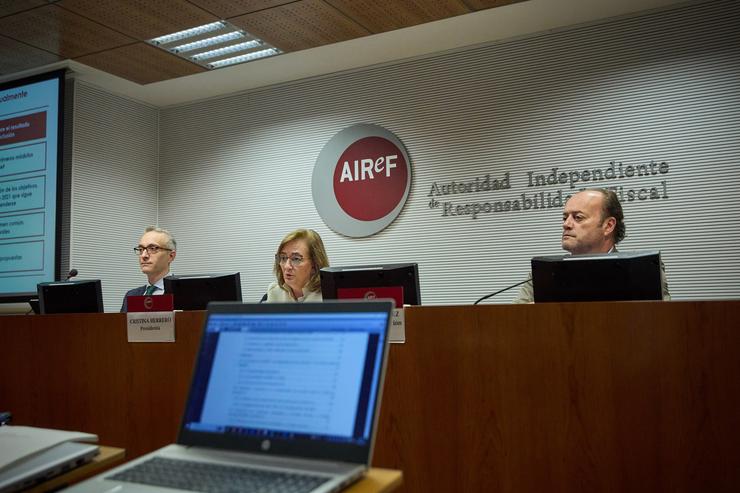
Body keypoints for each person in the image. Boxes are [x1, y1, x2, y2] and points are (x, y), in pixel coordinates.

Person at [513, 188, 670, 303]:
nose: (566, 225)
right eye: (565, 217)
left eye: (578, 217)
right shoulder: (545, 273)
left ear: (608, 226)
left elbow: (664, 320)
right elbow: (516, 319)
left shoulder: (642, 270)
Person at [120, 226, 177, 312]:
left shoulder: (185, 293)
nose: (144, 255)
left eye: (153, 248)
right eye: (141, 249)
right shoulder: (131, 296)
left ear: (171, 256)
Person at [265, 229, 329, 302]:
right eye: (283, 258)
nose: (287, 266)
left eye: (296, 259)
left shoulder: (329, 297)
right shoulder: (274, 293)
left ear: (314, 264)